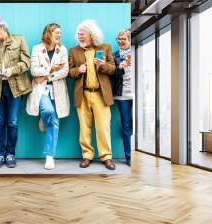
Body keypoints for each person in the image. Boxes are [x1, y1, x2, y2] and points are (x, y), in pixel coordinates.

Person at [0, 15, 32, 168]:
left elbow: (27, 62)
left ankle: (10, 154)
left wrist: (12, 70)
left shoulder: (19, 40)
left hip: (16, 87)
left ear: (1, 27)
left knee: (13, 121)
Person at [68, 20, 116, 170]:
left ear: (91, 34)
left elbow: (113, 69)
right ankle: (87, 156)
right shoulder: (74, 51)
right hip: (83, 94)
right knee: (84, 128)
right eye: (78, 34)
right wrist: (78, 70)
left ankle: (106, 157)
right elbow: (69, 72)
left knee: (103, 127)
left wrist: (103, 65)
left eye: (82, 34)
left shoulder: (105, 48)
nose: (79, 37)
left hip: (101, 95)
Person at [26, 23, 69, 170]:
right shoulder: (37, 49)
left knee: (54, 123)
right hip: (41, 90)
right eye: (57, 32)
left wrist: (47, 76)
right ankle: (44, 118)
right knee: (49, 112)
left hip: (57, 90)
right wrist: (51, 69)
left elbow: (64, 72)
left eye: (60, 33)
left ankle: (49, 156)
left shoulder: (62, 49)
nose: (59, 35)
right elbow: (33, 71)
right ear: (48, 33)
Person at [111, 29, 132, 166]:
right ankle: (129, 157)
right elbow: (112, 75)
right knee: (126, 125)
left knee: (132, 126)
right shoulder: (115, 56)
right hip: (122, 95)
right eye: (119, 39)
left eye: (123, 39)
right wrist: (120, 68)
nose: (120, 41)